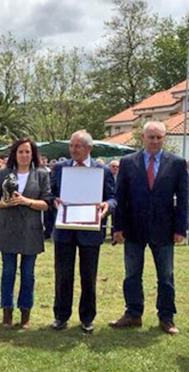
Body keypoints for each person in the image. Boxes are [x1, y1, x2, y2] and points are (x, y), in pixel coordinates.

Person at [110, 121, 188, 335]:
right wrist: (117, 227)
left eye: (159, 137)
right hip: (134, 228)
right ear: (142, 137)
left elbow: (183, 198)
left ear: (164, 138)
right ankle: (133, 313)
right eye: (151, 137)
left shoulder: (177, 163)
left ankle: (166, 317)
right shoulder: (128, 162)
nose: (155, 141)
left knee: (165, 276)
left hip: (164, 228)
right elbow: (121, 197)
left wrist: (181, 228)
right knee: (132, 274)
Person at [50, 130, 116, 333]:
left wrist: (107, 205)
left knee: (88, 275)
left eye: (77, 146)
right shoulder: (60, 168)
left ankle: (87, 318)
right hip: (65, 230)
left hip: (90, 231)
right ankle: (61, 316)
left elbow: (113, 197)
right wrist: (53, 200)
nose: (73, 150)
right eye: (71, 145)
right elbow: (50, 193)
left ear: (89, 148)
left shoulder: (102, 170)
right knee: (63, 275)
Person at [0, 138, 52, 329]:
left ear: (33, 154)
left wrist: (26, 201)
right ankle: (6, 312)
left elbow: (46, 203)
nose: (24, 156)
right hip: (7, 228)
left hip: (30, 231)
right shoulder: (5, 173)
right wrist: (3, 204)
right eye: (20, 152)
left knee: (28, 273)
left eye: (27, 152)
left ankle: (25, 313)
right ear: (14, 155)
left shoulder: (41, 174)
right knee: (7, 272)